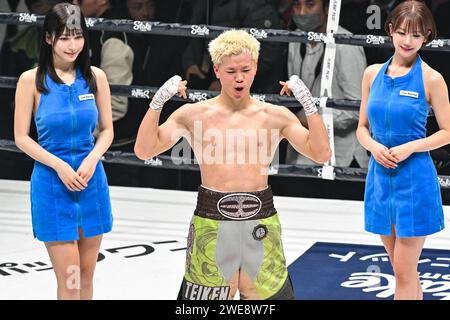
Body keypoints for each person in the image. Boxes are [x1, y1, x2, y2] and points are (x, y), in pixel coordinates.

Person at [135, 29, 331, 300]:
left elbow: (321, 154)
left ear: (256, 68)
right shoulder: (193, 114)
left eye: (245, 69)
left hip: (260, 218)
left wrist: (309, 105)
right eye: (230, 71)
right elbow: (144, 150)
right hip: (210, 220)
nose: (239, 78)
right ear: (216, 70)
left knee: (266, 298)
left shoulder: (275, 116)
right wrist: (157, 103)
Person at [14, 3, 114, 300]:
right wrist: (59, 166)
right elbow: (21, 137)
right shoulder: (30, 80)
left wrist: (93, 158)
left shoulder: (96, 77)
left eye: (78, 36)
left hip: (91, 181)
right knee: (69, 280)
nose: (73, 45)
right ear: (48, 38)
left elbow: (107, 131)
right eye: (65, 37)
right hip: (52, 185)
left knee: (86, 277)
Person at [356, 0, 450, 300]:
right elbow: (361, 127)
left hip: (415, 180)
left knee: (405, 270)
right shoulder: (371, 74)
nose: (408, 41)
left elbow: (448, 132)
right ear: (390, 31)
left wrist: (411, 146)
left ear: (427, 37)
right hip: (380, 178)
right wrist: (373, 147)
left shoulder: (432, 79)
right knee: (401, 270)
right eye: (402, 33)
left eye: (416, 35)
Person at [285, 0, 369, 168]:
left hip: (342, 156)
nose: (301, 13)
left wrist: (310, 119)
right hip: (303, 152)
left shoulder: (346, 45)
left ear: (327, 9)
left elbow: (357, 109)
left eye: (309, 5)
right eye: (297, 5)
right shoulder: (295, 40)